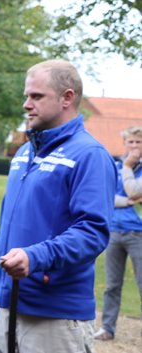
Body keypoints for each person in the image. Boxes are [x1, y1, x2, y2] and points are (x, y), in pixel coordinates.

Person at [0, 59, 116, 353]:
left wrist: (35, 257)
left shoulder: (89, 154)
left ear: (67, 97)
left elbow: (93, 232)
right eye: (26, 96)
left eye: (37, 96)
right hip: (8, 304)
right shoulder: (23, 153)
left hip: (56, 315)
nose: (26, 104)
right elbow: (6, 228)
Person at [94, 125, 142, 341]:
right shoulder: (114, 166)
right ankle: (107, 327)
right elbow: (106, 196)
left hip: (138, 233)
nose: (134, 146)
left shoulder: (128, 167)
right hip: (114, 232)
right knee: (112, 284)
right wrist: (129, 202)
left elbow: (134, 190)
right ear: (124, 143)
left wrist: (129, 167)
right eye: (131, 142)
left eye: (138, 142)